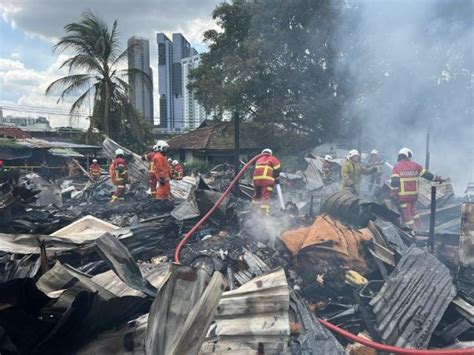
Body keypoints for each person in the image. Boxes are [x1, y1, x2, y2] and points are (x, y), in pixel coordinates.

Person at [391, 147, 444, 230]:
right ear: (408, 155)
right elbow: (427, 175)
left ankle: (414, 231)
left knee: (407, 213)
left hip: (404, 196)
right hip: (414, 196)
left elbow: (394, 182)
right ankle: (421, 228)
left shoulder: (397, 167)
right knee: (413, 211)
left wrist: (393, 193)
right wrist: (437, 178)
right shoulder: (416, 165)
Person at [252, 148, 281, 215]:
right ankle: (264, 216)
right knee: (265, 196)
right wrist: (275, 177)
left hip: (256, 180)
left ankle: (254, 213)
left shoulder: (258, 159)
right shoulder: (272, 158)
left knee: (257, 195)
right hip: (266, 180)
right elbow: (278, 169)